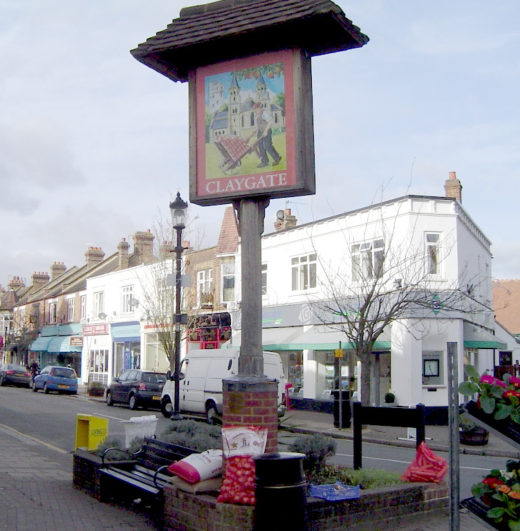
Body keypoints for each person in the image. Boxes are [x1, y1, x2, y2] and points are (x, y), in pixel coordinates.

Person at [250, 102, 281, 168]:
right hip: (260, 132)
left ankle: (276, 158)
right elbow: (258, 125)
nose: (255, 111)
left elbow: (270, 121)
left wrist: (266, 131)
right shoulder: (256, 116)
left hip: (267, 130)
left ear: (260, 108)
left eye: (256, 109)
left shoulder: (264, 113)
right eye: (254, 110)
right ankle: (264, 162)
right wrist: (255, 131)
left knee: (267, 146)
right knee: (260, 146)